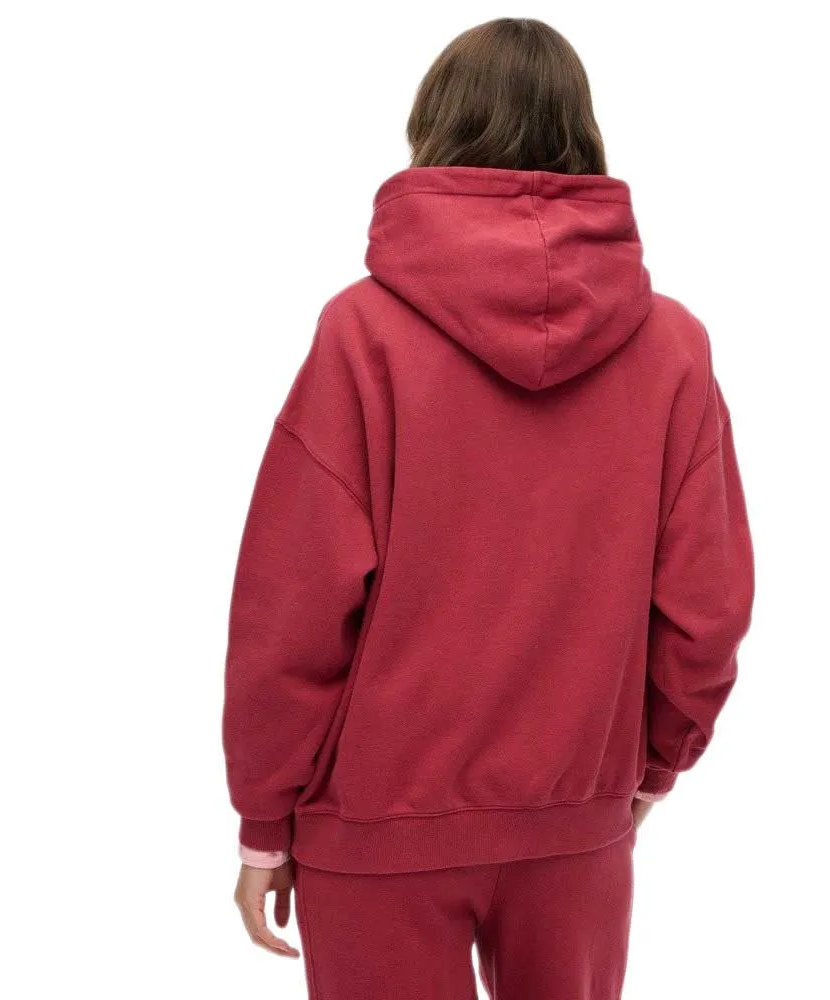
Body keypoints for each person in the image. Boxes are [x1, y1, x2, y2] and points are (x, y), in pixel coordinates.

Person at [222, 16, 755, 1000]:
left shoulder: (363, 333)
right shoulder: (673, 349)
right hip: (575, 823)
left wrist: (265, 819)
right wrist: (645, 771)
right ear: (581, 131)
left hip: (375, 827)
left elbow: (289, 611)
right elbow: (706, 611)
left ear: (436, 126)